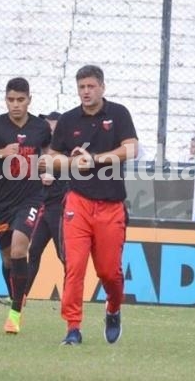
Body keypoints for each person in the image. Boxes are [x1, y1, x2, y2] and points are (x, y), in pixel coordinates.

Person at [42, 65, 138, 345]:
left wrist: (95, 159)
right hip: (78, 202)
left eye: (91, 86)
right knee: (74, 267)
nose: (86, 91)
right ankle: (73, 328)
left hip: (110, 205)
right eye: (81, 87)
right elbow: (50, 159)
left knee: (109, 272)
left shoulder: (118, 113)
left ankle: (113, 308)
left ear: (102, 88)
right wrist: (73, 163)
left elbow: (131, 148)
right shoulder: (69, 119)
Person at [0, 77, 51, 334]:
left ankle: (15, 312)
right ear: (6, 99)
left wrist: (47, 167)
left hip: (32, 198)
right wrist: (0, 153)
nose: (15, 105)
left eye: (20, 100)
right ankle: (16, 297)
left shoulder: (41, 127)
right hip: (3, 203)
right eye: (11, 100)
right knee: (6, 258)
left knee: (18, 248)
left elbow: (48, 153)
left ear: (29, 100)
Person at [25, 112, 66, 296]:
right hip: (45, 208)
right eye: (48, 126)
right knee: (33, 251)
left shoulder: (64, 151)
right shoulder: (39, 149)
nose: (50, 130)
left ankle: (71, 298)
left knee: (63, 256)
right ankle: (20, 296)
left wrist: (53, 177)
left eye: (53, 127)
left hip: (59, 209)